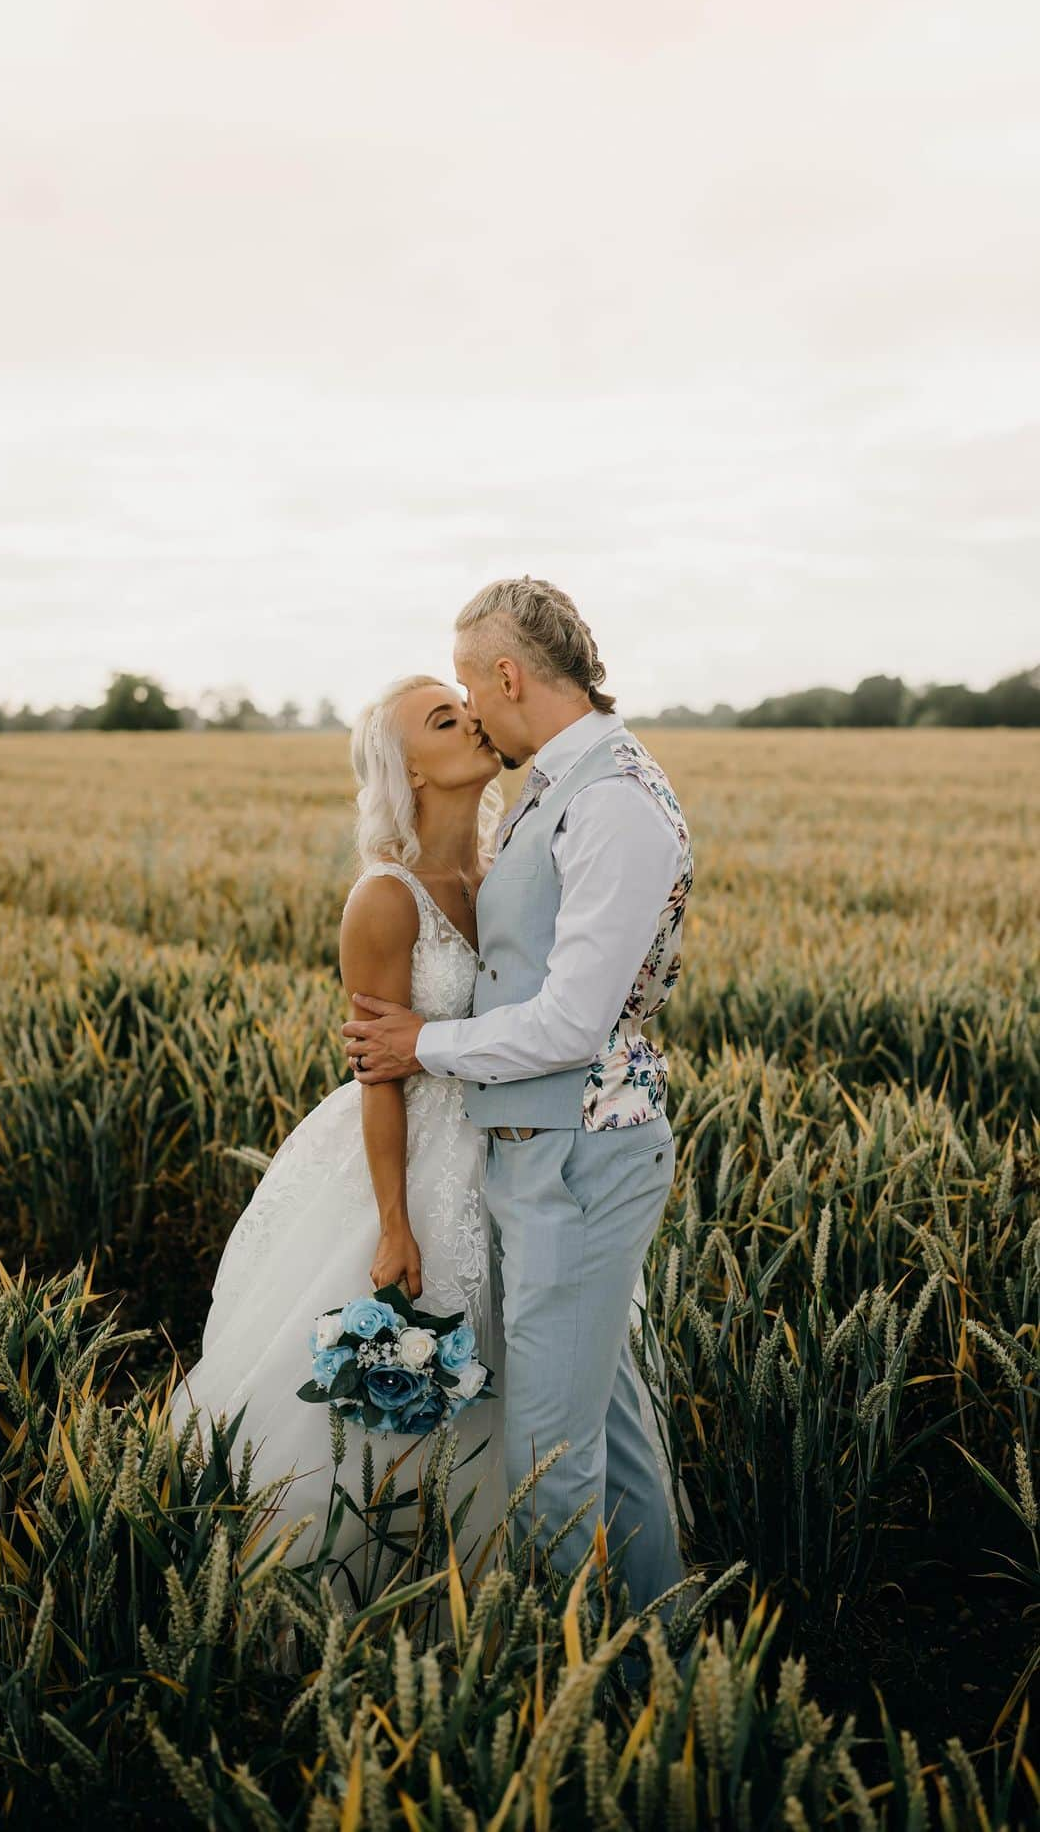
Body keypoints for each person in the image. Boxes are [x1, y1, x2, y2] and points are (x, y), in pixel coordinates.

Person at [342, 577, 695, 1633]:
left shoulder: (615, 799)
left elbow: (573, 1021)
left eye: (466, 687)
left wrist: (424, 1043)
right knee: (610, 1432)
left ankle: (568, 1692)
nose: (469, 708)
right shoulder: (558, 785)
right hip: (536, 1149)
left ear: (506, 676)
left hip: (580, 1153)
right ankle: (657, 1654)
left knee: (547, 1452)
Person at [168, 674, 512, 1610]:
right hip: (416, 1155)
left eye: (467, 705)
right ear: (409, 771)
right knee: (411, 1368)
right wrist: (395, 1225)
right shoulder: (386, 899)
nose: (474, 719)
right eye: (446, 719)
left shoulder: (508, 872)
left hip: (517, 1151)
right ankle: (361, 1590)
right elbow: (379, 1072)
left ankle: (503, 1588)